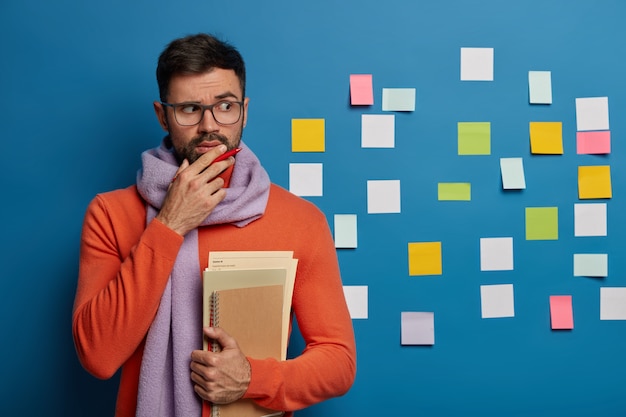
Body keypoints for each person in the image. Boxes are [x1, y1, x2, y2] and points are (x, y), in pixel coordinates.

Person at [72, 33, 356, 417]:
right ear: (162, 115)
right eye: (189, 108)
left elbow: (339, 362)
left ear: (245, 110)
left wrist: (253, 378)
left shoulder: (301, 220)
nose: (209, 125)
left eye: (225, 105)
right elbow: (98, 355)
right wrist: (169, 224)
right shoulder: (110, 213)